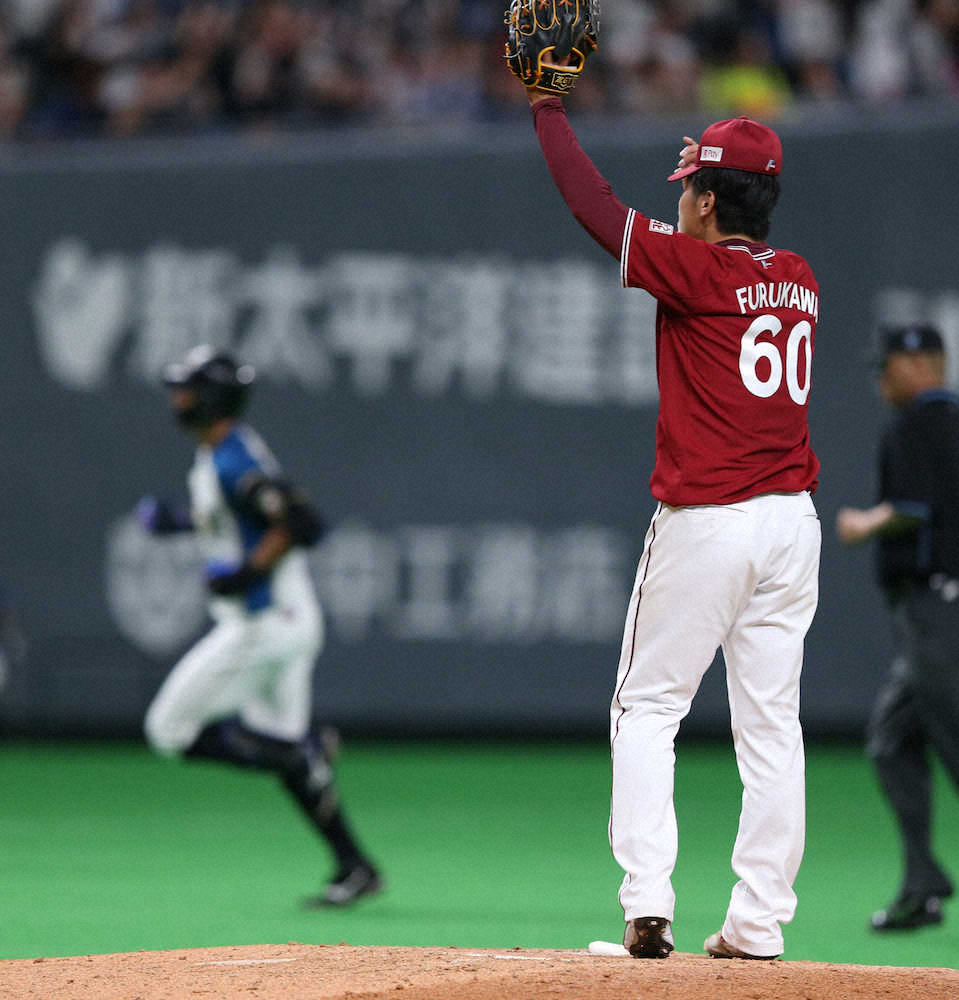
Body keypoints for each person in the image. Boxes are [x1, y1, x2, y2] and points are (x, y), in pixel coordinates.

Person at [514, 79, 821, 958]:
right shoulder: (797, 277)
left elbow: (593, 206)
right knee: (771, 726)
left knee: (647, 707)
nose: (680, 198)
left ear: (710, 199)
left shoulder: (696, 269)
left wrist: (546, 110)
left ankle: (647, 906)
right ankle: (757, 923)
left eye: (690, 186)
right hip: (790, 526)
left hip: (710, 520)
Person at [139, 344, 383, 907]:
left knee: (169, 729)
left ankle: (307, 751)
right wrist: (181, 521)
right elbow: (239, 517)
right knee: (286, 758)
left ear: (212, 397)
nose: (177, 400)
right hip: (288, 622)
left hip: (264, 626)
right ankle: (355, 865)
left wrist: (248, 572)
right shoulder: (223, 453)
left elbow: (302, 521)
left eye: (187, 390)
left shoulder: (232, 459)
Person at [836, 324, 959, 931]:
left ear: (918, 364)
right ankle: (922, 883)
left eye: (887, 366)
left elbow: (912, 509)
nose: (881, 379)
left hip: (940, 610)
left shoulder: (916, 424)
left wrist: (862, 524)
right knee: (891, 739)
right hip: (935, 612)